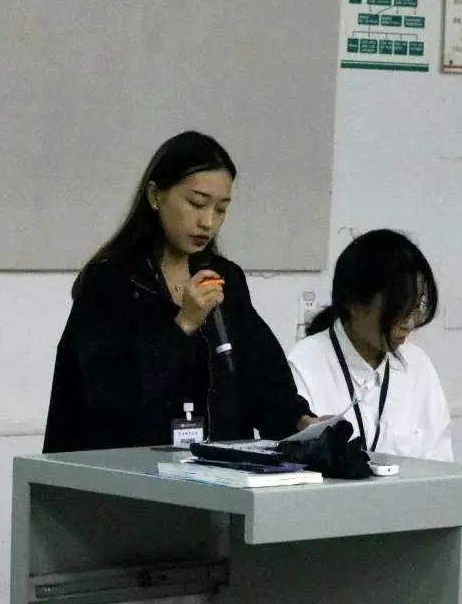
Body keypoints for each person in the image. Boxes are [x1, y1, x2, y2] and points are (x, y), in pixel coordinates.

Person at [43, 131, 315, 453]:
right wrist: (183, 324)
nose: (207, 222)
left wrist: (300, 421)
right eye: (196, 203)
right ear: (155, 196)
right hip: (130, 470)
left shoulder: (223, 278)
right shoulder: (113, 281)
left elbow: (260, 375)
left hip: (217, 470)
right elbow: (107, 396)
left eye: (221, 209)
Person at [287, 229, 453, 461]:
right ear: (354, 303)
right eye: (398, 309)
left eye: (416, 308)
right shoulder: (304, 366)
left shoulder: (418, 366)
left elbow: (442, 465)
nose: (409, 323)